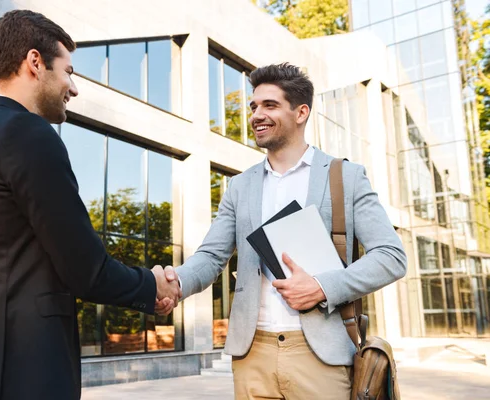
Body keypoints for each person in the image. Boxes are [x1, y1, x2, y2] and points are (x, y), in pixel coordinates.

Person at [0, 10, 180, 400]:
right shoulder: (28, 133)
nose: (73, 88)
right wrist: (152, 285)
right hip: (19, 376)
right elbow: (86, 269)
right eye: (68, 72)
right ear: (34, 62)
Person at [157, 63, 407, 399]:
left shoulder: (345, 177)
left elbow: (391, 256)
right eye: (254, 106)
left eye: (269, 105)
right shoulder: (239, 186)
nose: (256, 114)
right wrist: (178, 284)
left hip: (321, 356)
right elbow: (211, 255)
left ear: (301, 112)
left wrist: (321, 287)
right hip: (252, 354)